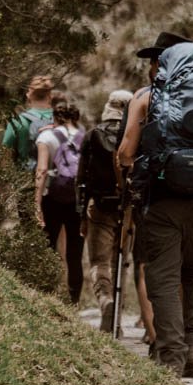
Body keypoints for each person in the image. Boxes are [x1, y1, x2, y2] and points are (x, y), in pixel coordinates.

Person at [118, 32, 193, 379]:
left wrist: (132, 174)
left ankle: (172, 355)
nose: (151, 66)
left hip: (162, 200)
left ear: (163, 63)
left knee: (164, 276)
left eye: (154, 60)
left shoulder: (145, 99)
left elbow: (126, 153)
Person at [78, 88, 132, 332]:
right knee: (122, 261)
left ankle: (105, 301)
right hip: (128, 207)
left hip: (98, 207)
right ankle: (117, 319)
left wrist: (81, 214)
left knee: (99, 262)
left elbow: (81, 179)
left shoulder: (92, 135)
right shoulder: (136, 136)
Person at [34, 97, 86, 303]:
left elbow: (42, 169)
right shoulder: (85, 136)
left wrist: (36, 202)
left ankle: (47, 296)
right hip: (77, 199)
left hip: (52, 199)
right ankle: (74, 303)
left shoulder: (46, 136)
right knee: (75, 254)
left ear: (54, 116)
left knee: (48, 248)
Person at [2, 74, 54, 169]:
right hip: (57, 178)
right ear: (51, 95)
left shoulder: (18, 121)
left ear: (28, 95)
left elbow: (5, 154)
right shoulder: (62, 120)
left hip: (26, 176)